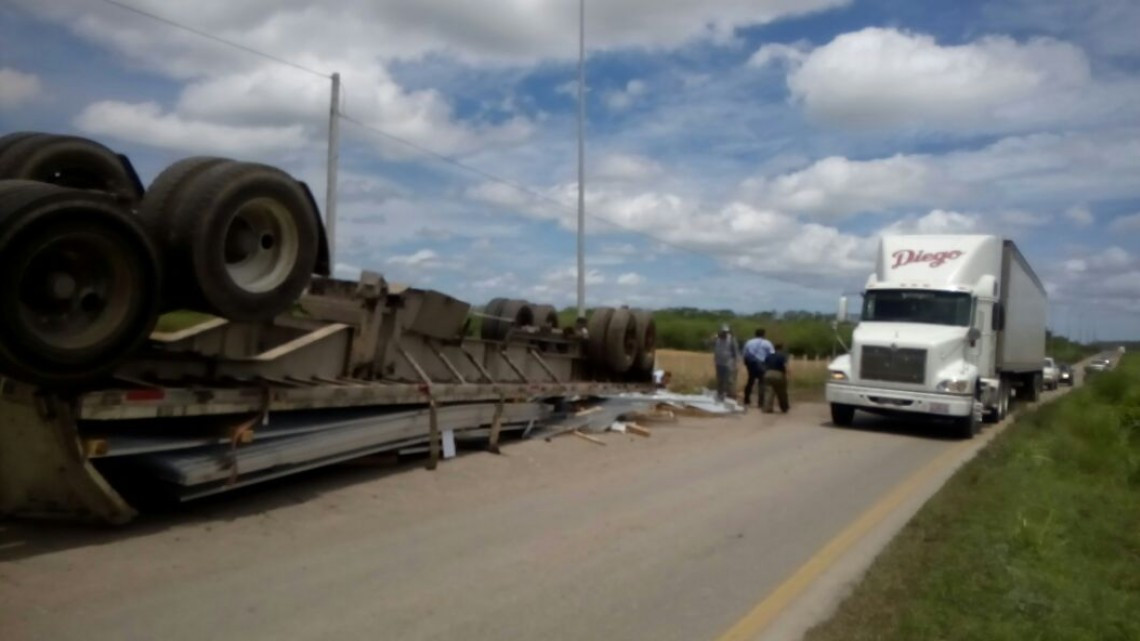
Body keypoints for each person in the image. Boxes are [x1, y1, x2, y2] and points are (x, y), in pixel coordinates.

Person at [742, 328, 775, 408]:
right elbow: (772, 354)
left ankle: (746, 400)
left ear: (755, 334)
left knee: (750, 381)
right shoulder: (767, 343)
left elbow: (744, 353)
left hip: (751, 364)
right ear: (764, 334)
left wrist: (746, 363)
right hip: (762, 364)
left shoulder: (749, 342)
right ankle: (761, 402)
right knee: (762, 383)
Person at [711, 323, 740, 402]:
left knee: (729, 380)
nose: (724, 333)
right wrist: (713, 339)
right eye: (723, 332)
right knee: (720, 379)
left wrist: (736, 363)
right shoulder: (717, 339)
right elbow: (709, 344)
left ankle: (730, 396)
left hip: (728, 363)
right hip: (719, 362)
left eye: (726, 332)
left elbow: (736, 351)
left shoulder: (731, 339)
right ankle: (720, 395)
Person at [762, 343, 790, 413]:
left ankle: (767, 408)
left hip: (768, 374)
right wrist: (788, 375)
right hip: (778, 374)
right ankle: (784, 408)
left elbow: (764, 365)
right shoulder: (783, 356)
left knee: (768, 392)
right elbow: (786, 366)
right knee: (781, 392)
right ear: (781, 349)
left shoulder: (768, 356)